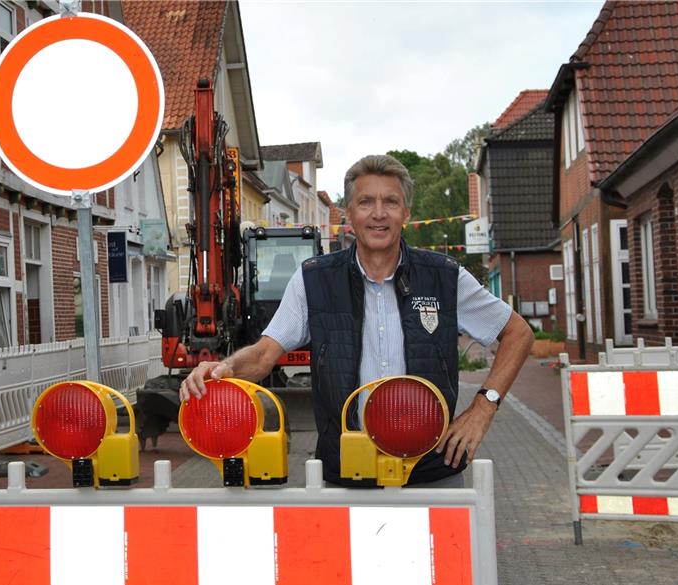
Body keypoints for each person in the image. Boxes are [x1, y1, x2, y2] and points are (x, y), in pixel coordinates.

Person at [180, 154, 533, 486]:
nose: (378, 214)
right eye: (366, 202)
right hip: (346, 474)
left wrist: (483, 407)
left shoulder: (444, 276)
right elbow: (262, 357)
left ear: (406, 212)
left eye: (390, 202)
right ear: (348, 213)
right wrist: (220, 369)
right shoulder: (314, 280)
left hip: (431, 471)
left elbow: (518, 333)